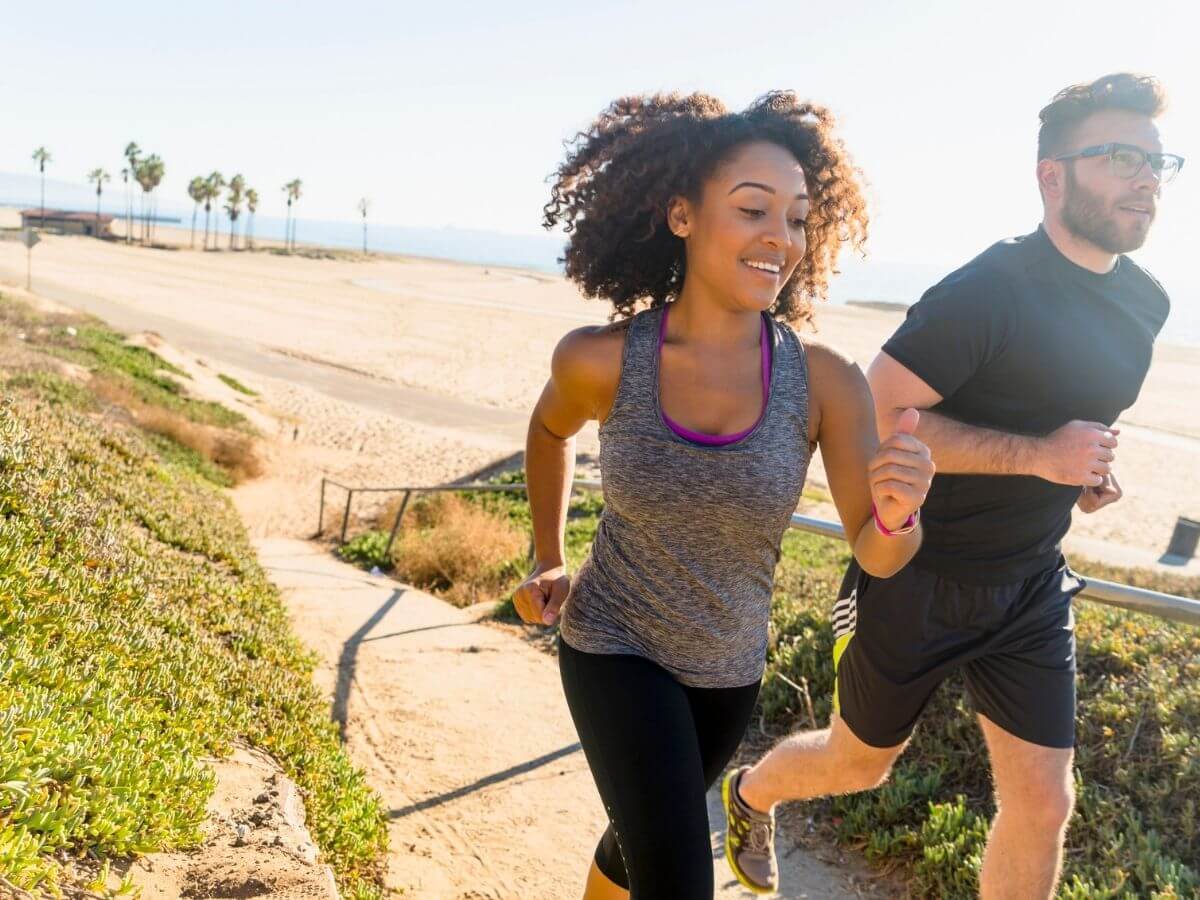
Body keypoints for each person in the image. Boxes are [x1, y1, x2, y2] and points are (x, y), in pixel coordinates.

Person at [725, 73, 1181, 899]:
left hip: (1030, 583)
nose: (1147, 178)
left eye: (1158, 161)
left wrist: (1083, 472)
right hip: (917, 571)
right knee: (857, 765)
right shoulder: (990, 290)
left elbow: (1069, 416)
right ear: (1052, 176)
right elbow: (878, 414)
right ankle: (752, 793)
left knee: (1044, 804)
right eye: (1121, 157)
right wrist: (1040, 456)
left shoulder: (1146, 304)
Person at [510, 91, 934, 900]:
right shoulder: (601, 360)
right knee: (677, 872)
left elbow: (880, 554)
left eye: (798, 218)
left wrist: (898, 511)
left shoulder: (826, 382)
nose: (781, 236)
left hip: (727, 674)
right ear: (682, 215)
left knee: (637, 844)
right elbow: (547, 431)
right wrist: (548, 555)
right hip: (614, 645)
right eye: (752, 209)